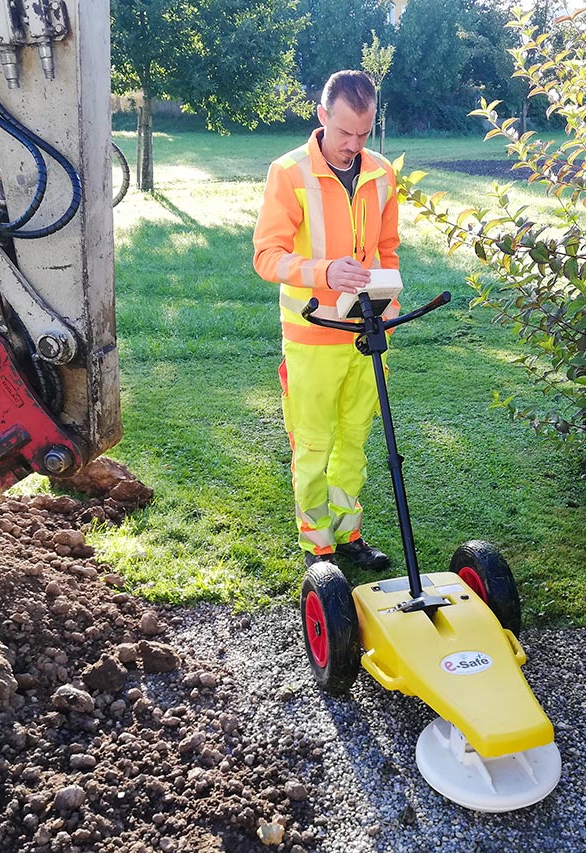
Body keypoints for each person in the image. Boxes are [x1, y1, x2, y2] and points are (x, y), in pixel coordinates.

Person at [253, 70, 400, 573]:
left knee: (355, 437)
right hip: (312, 336)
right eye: (344, 133)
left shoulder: (380, 173)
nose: (353, 145)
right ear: (322, 117)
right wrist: (324, 272)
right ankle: (319, 545)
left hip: (367, 336)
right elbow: (266, 257)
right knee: (314, 442)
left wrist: (391, 307)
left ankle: (349, 532)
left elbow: (387, 249)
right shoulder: (288, 173)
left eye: (363, 134)